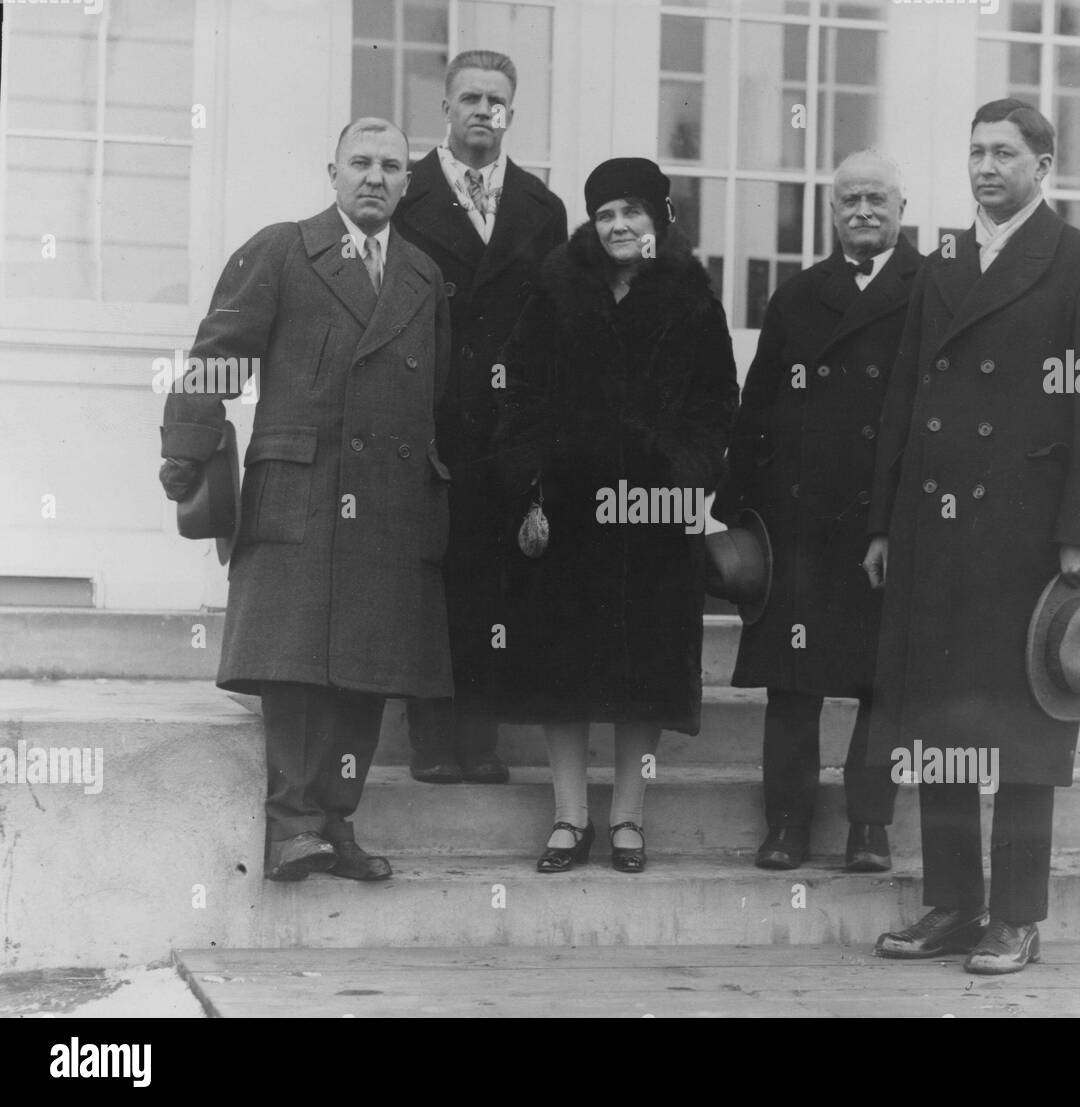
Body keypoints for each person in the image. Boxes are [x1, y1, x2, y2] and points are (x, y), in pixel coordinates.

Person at [862, 99, 1080, 972]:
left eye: (1005, 153)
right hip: (935, 537)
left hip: (1028, 544)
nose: (987, 167)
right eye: (976, 152)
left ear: (1044, 165)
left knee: (1024, 730)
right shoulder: (944, 262)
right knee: (945, 724)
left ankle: (1017, 916)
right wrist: (882, 522)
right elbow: (904, 403)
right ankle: (953, 902)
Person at [159, 118, 453, 882]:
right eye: (361, 162)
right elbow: (218, 359)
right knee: (293, 667)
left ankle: (337, 822)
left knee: (366, 669)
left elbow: (439, 393)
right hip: (304, 488)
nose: (375, 177)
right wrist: (186, 451)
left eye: (392, 166)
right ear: (332, 171)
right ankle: (292, 824)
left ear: (407, 183)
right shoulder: (284, 249)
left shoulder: (423, 275)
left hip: (391, 503)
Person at [493, 157, 738, 873]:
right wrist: (533, 474)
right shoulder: (556, 288)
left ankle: (628, 816)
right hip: (570, 508)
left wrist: (684, 475)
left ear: (660, 219)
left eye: (632, 211)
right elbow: (518, 388)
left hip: (655, 514)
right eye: (605, 214)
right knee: (562, 665)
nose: (619, 226)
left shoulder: (693, 297)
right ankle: (570, 817)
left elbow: (717, 404)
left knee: (646, 666)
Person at [712, 150, 920, 872]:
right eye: (850, 200)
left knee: (881, 684)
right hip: (797, 520)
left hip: (884, 521)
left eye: (877, 200)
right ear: (832, 213)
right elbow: (758, 403)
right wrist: (734, 510)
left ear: (902, 210)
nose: (863, 211)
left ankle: (870, 827)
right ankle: (787, 825)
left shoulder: (931, 290)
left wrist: (897, 521)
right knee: (793, 684)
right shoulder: (799, 297)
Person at [392, 51, 568, 786]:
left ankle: (481, 737)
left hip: (509, 427)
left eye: (497, 101)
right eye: (470, 97)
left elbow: (557, 323)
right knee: (432, 578)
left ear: (511, 113)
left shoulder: (540, 206)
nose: (483, 112)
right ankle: (433, 739)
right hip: (429, 416)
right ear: (445, 107)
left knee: (495, 578)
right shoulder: (407, 193)